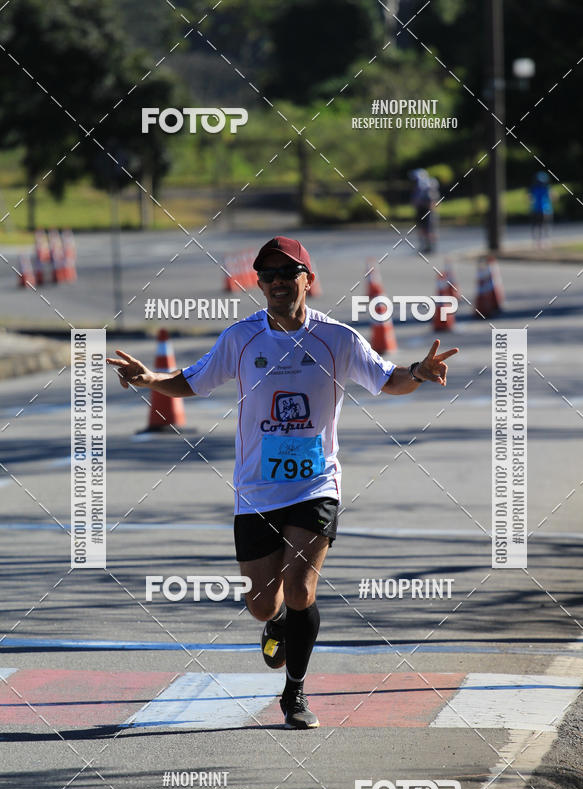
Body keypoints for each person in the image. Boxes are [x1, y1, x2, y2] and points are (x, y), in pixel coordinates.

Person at [107, 236, 458, 729]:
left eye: (285, 273)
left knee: (300, 587)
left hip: (315, 484)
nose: (274, 282)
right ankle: (274, 625)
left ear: (307, 280)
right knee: (262, 603)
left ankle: (294, 694)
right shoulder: (241, 338)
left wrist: (418, 373)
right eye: (265, 275)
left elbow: (387, 380)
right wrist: (150, 380)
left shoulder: (337, 339)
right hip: (256, 489)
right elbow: (195, 380)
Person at [410, 169, 439, 253]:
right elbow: (414, 201)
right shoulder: (417, 188)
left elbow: (432, 200)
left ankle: (431, 245)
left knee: (429, 229)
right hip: (420, 210)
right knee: (422, 229)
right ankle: (424, 244)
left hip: (428, 211)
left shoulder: (428, 186)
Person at [529, 171, 553, 247]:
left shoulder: (543, 188)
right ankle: (540, 241)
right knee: (540, 226)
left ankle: (542, 240)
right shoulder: (541, 188)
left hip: (544, 209)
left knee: (542, 226)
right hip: (540, 209)